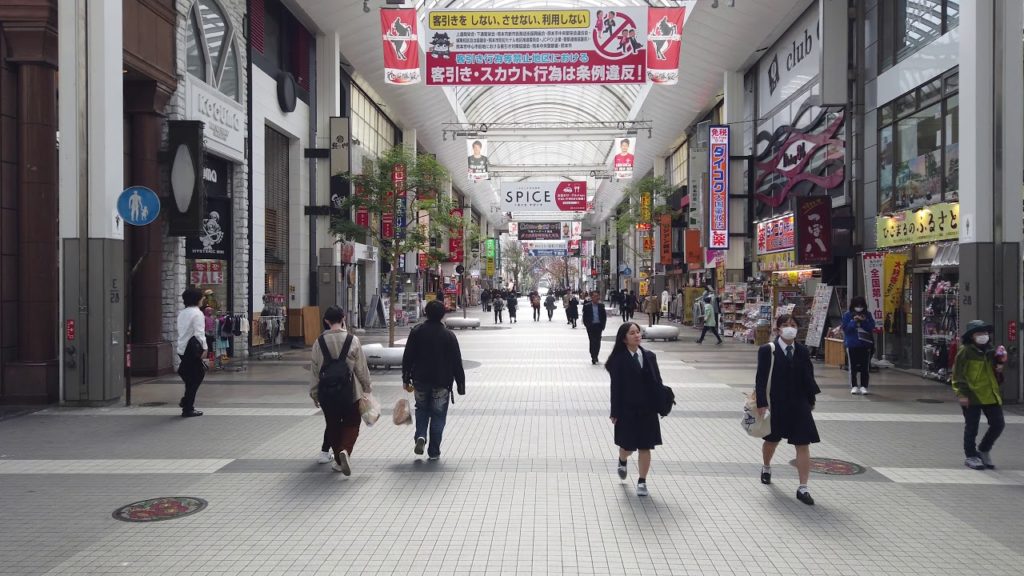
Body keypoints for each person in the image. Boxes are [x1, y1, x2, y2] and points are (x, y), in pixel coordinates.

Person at [755, 314, 821, 505]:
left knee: (802, 443)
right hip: (776, 403)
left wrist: (811, 399)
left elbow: (809, 376)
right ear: (777, 329)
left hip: (799, 403)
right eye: (785, 325)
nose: (789, 328)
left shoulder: (802, 350)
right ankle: (766, 466)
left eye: (793, 325)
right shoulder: (768, 350)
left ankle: (803, 488)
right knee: (771, 441)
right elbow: (761, 378)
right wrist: (761, 403)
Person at [310, 306, 372, 475]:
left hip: (327, 393)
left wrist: (314, 394)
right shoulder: (352, 340)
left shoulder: (318, 342)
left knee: (333, 425)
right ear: (343, 318)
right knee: (352, 422)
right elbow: (361, 368)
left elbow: (315, 371)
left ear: (326, 321)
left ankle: (338, 459)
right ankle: (344, 451)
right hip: (351, 392)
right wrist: (367, 388)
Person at [403, 300, 467, 461]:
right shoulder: (449, 335)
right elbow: (456, 361)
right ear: (443, 315)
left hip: (420, 379)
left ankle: (420, 436)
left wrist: (405, 377)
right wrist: (461, 384)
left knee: (422, 409)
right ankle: (434, 451)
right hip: (442, 382)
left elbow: (408, 356)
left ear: (426, 312)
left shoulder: (417, 331)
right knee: (438, 415)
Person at [607, 322, 664, 497]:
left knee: (645, 447)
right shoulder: (618, 360)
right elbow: (615, 388)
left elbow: (657, 382)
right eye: (632, 333)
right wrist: (614, 412)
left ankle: (642, 481)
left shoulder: (649, 356)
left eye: (638, 332)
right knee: (628, 447)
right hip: (627, 410)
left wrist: (663, 401)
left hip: (647, 410)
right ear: (624, 338)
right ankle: (622, 460)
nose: (637, 335)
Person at [953, 320, 1007, 470]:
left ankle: (983, 450)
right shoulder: (965, 352)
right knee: (972, 427)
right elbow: (957, 375)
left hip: (990, 394)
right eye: (979, 333)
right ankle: (971, 456)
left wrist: (1000, 364)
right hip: (970, 395)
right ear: (971, 336)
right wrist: (961, 394)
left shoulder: (991, 351)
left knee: (998, 424)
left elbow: (997, 373)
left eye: (985, 333)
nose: (983, 336)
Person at [176, 288, 208, 418]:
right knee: (196, 376)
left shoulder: (182, 313)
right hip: (192, 348)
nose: (203, 299)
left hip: (182, 347)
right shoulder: (197, 313)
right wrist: (205, 348)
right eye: (202, 297)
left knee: (190, 375)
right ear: (197, 299)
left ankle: (186, 402)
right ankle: (188, 407)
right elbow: (199, 332)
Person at [841, 296, 876, 395]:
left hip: (865, 344)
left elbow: (871, 327)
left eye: (861, 306)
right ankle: (854, 386)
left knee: (865, 367)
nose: (859, 308)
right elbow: (845, 329)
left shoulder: (867, 315)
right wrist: (853, 321)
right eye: (857, 306)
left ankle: (864, 386)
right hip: (852, 344)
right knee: (853, 367)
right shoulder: (847, 315)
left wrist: (864, 321)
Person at [582, 290, 608, 365]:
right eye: (595, 296)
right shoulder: (587, 306)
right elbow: (585, 317)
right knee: (592, 341)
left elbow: (604, 316)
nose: (596, 297)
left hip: (598, 326)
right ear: (591, 297)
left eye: (597, 296)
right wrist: (587, 325)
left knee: (598, 341)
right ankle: (593, 356)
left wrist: (603, 326)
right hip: (590, 326)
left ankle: (596, 355)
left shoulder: (601, 306)